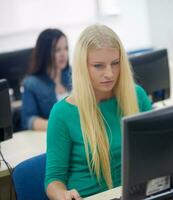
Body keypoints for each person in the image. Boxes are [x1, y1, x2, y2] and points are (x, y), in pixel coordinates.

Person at [45, 24, 152, 199]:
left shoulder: (136, 95)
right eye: (98, 66)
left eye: (115, 63)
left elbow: (157, 148)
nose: (109, 73)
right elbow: (53, 180)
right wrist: (63, 194)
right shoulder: (62, 113)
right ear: (82, 67)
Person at [21, 28, 71, 131]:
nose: (63, 54)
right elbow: (28, 120)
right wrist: (59, 126)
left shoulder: (71, 74)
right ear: (45, 53)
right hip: (53, 137)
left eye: (66, 48)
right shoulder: (31, 83)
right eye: (57, 50)